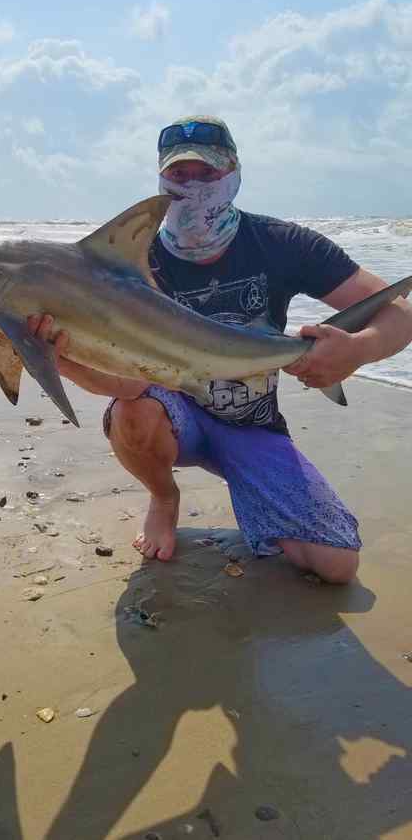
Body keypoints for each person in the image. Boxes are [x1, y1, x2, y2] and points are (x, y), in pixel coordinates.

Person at [27, 115, 412, 584]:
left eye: (207, 173)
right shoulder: (134, 267)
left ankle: (252, 485)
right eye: (179, 174)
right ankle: (164, 498)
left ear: (234, 173)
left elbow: (399, 313)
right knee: (134, 411)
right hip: (174, 416)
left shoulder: (282, 244)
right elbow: (127, 385)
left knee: (336, 566)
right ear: (161, 179)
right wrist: (58, 359)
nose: (192, 186)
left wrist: (357, 350)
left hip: (252, 424)